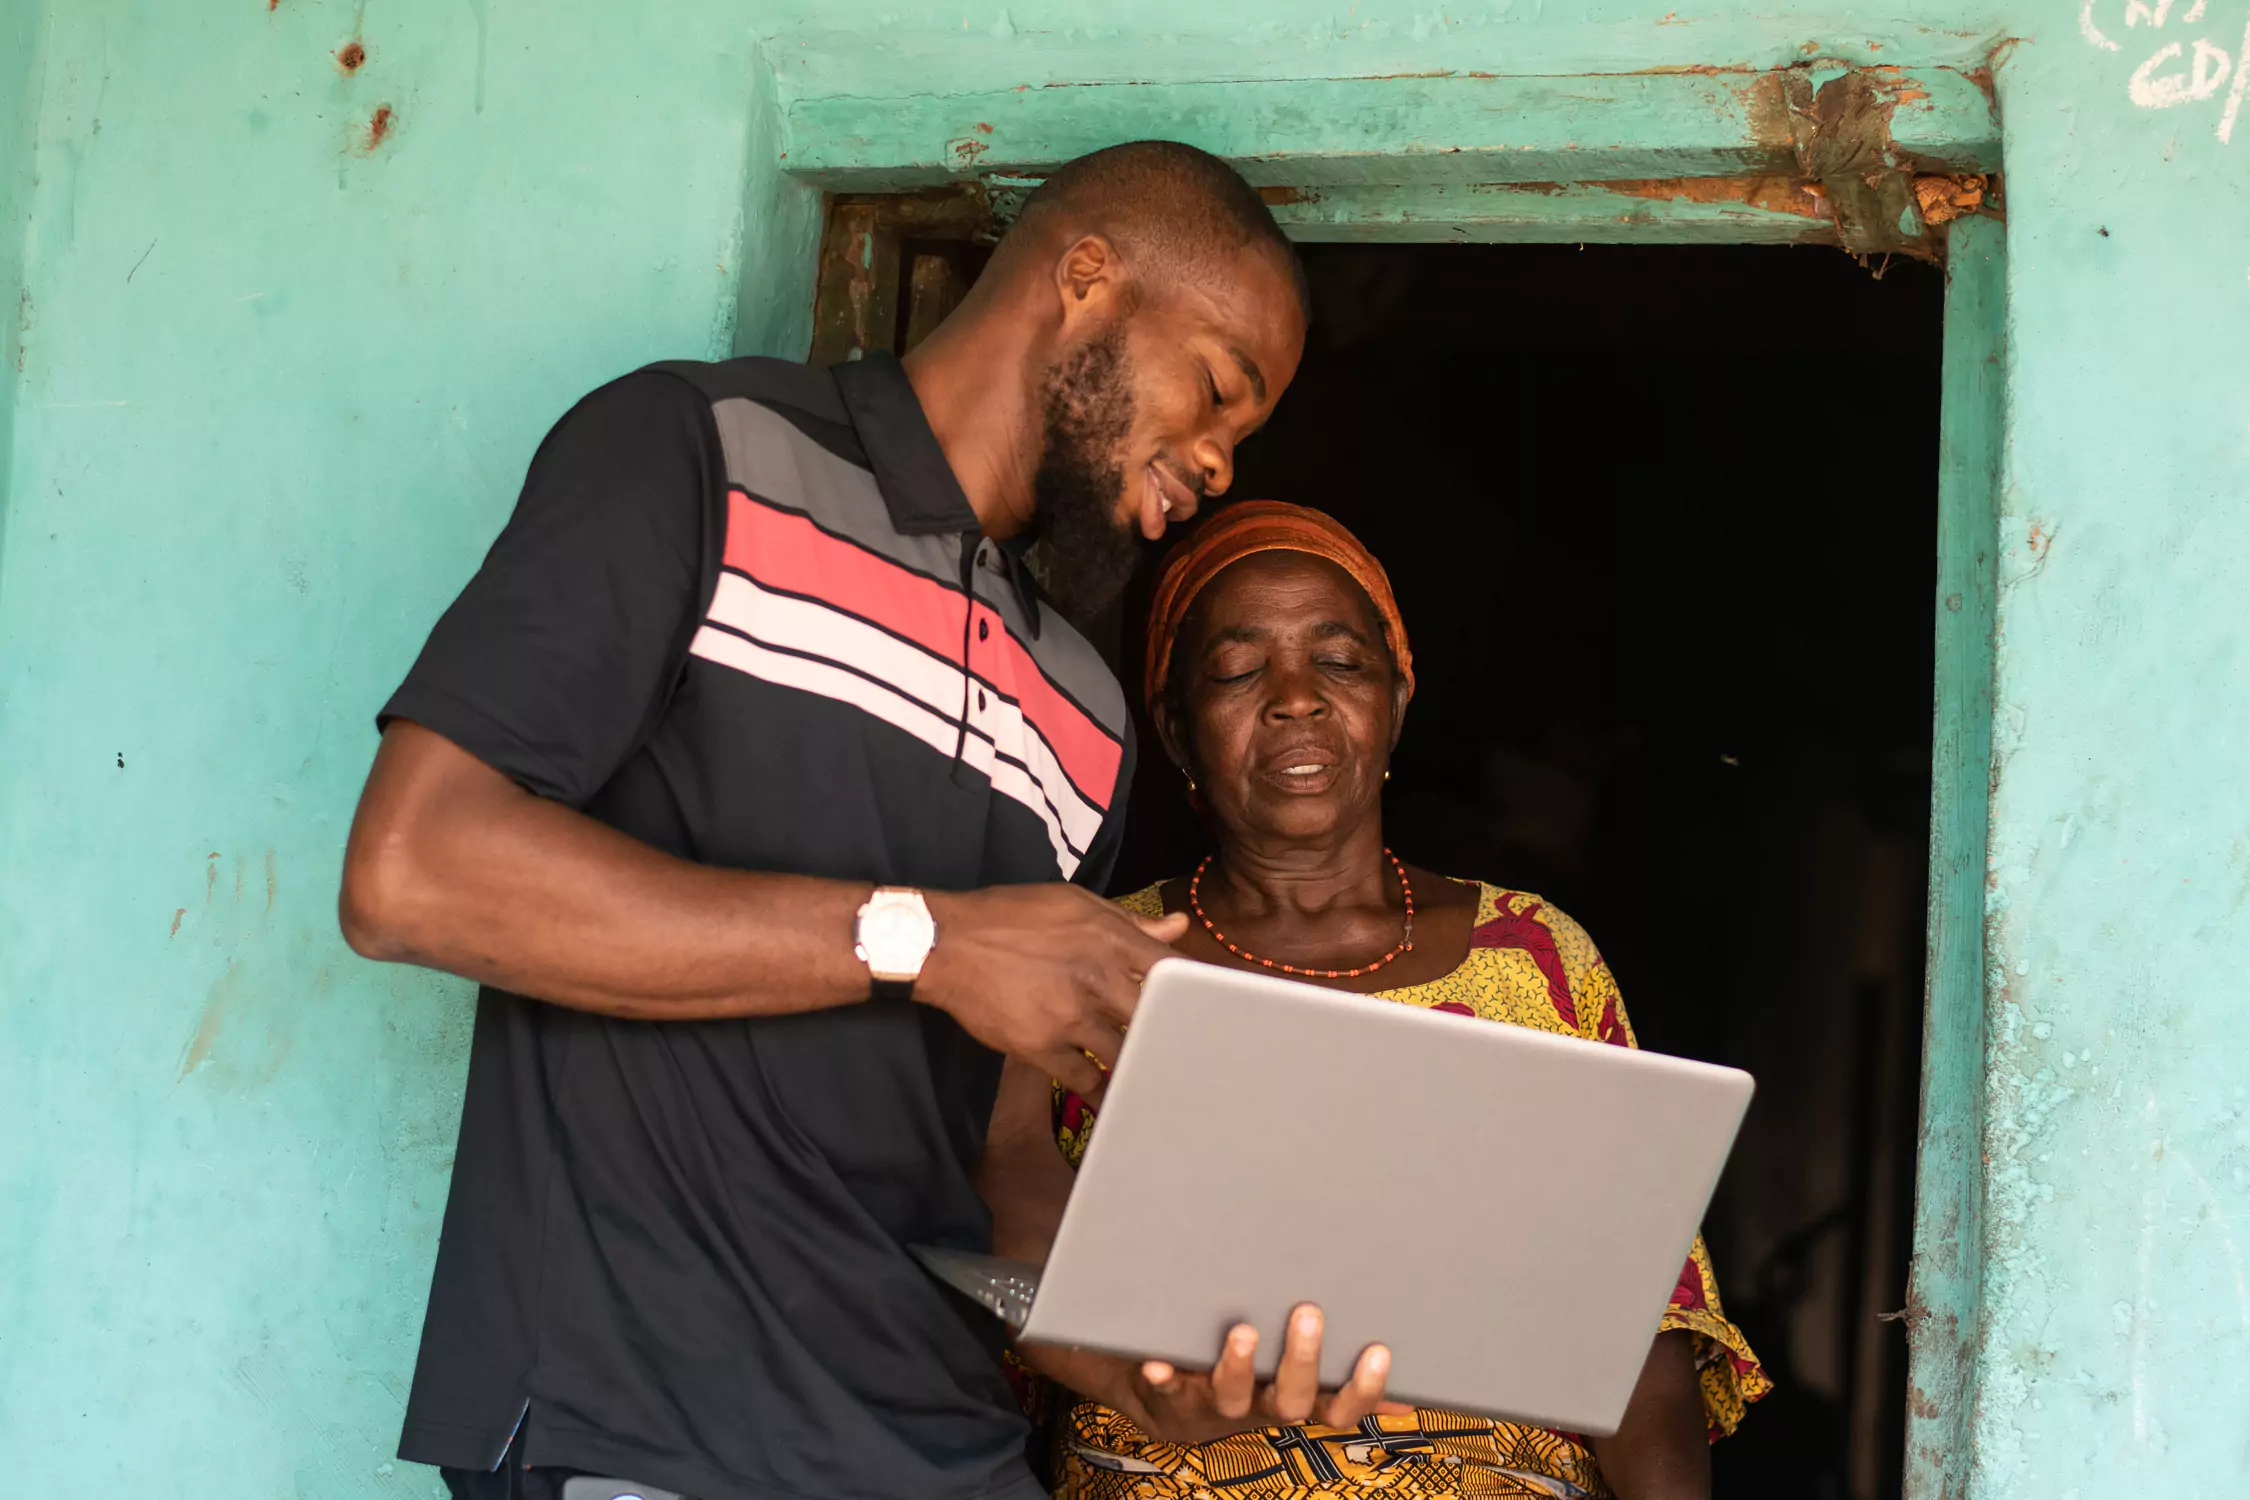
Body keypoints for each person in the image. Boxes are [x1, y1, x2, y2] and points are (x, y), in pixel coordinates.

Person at [337, 143, 1395, 1500]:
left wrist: (1143, 1363)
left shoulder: (1084, 711)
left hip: (940, 1451)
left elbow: (1001, 1159)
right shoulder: (699, 452)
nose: (1214, 461)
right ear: (1085, 281)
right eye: (1215, 392)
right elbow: (413, 871)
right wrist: (925, 940)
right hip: (651, 1429)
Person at [976, 502, 1770, 1500]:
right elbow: (1005, 1212)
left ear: (1396, 701)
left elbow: (1639, 1314)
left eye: (1341, 662)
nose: (1295, 699)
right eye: (1237, 668)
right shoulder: (1094, 953)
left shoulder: (1535, 957)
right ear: (1176, 729)